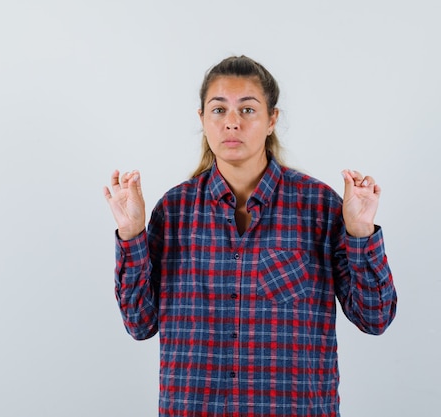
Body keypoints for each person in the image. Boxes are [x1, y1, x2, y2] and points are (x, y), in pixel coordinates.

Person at [103, 55, 397, 417]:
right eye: (218, 110)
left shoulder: (319, 206)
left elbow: (375, 317)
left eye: (247, 110)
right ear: (202, 120)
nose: (231, 123)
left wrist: (361, 231)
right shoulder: (174, 211)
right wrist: (131, 233)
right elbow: (139, 323)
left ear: (272, 120)